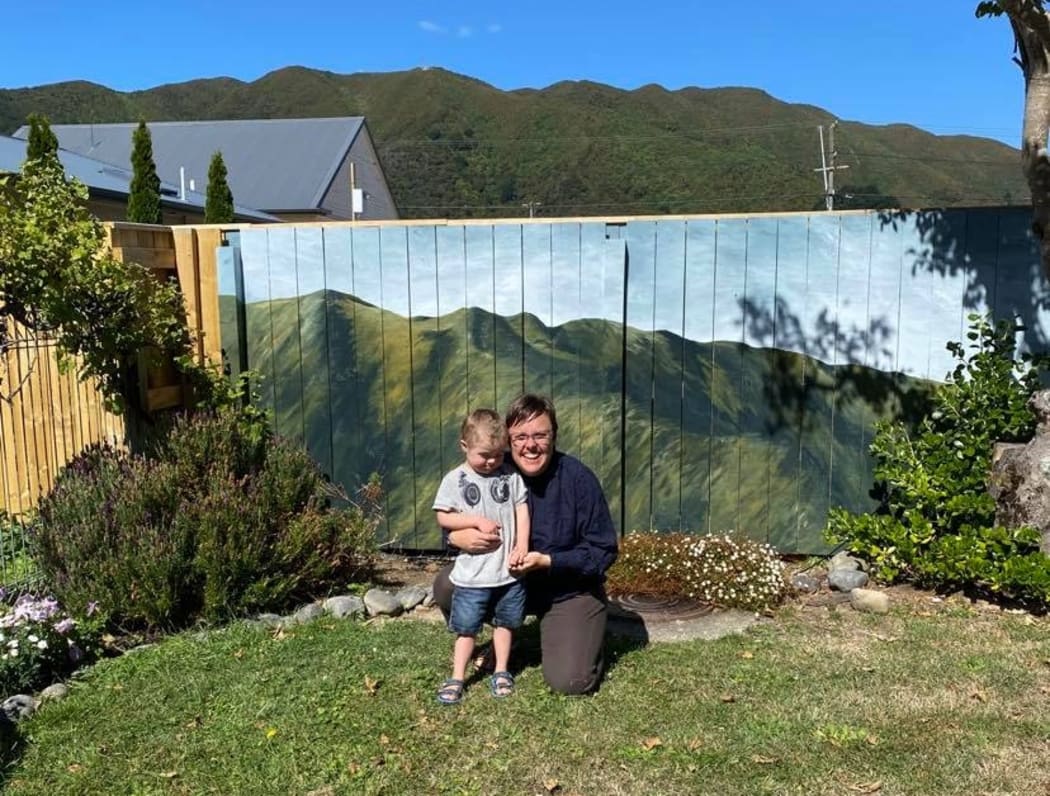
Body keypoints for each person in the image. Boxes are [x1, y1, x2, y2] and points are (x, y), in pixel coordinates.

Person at [433, 393, 619, 695]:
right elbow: (453, 516)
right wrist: (456, 537)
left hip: (568, 589)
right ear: (507, 439)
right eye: (519, 437)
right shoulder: (492, 466)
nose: (529, 445)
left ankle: (576, 629)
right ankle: (504, 638)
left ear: (554, 436)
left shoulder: (578, 480)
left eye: (540, 435)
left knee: (570, 681)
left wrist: (548, 561)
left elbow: (603, 550)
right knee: (446, 585)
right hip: (507, 582)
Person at [433, 408, 530, 705]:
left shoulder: (511, 476)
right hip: (472, 576)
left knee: (506, 623)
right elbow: (443, 517)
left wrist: (522, 544)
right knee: (466, 629)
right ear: (464, 446)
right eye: (484, 455)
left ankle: (501, 670)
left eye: (498, 455)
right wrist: (474, 521)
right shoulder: (456, 479)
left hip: (508, 573)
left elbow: (522, 511)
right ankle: (457, 676)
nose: (491, 462)